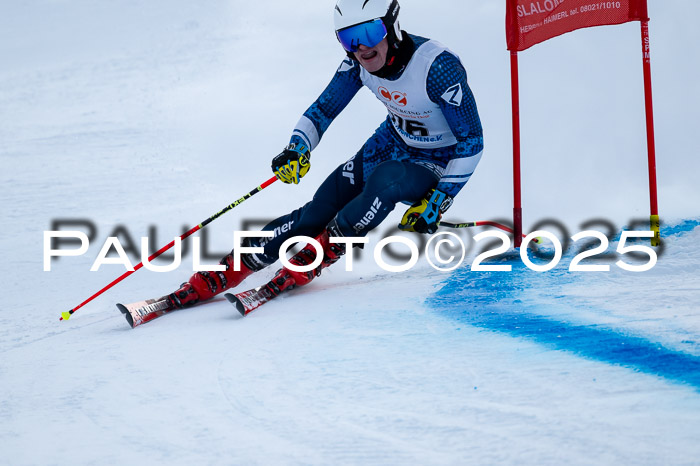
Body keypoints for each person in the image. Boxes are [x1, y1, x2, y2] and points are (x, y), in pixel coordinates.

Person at [166, 0, 484, 309]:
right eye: (348, 38)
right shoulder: (357, 64)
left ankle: (319, 254)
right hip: (390, 142)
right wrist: (296, 148)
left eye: (370, 34)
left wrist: (439, 199)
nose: (360, 47)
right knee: (316, 213)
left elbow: (472, 140)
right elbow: (322, 111)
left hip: (437, 160)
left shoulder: (437, 68)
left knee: (386, 182)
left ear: (392, 26)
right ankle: (231, 268)